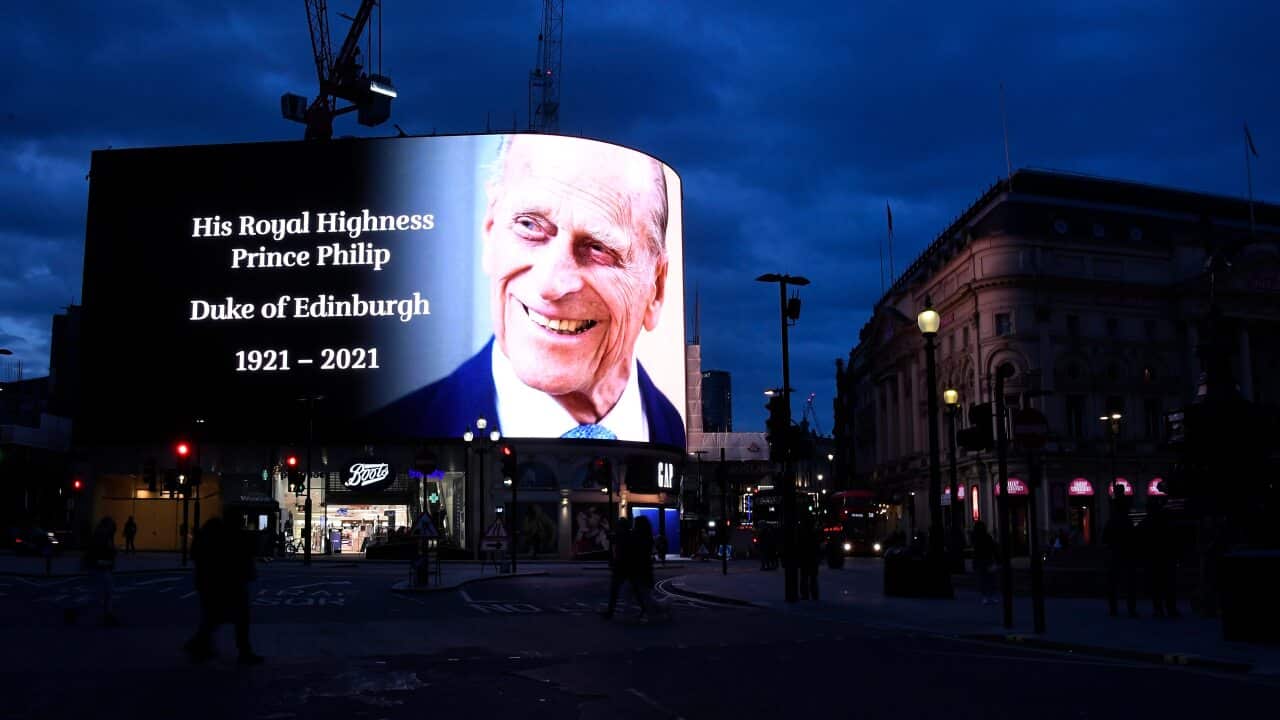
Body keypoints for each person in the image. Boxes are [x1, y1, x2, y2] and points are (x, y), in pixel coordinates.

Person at [367, 135, 684, 447]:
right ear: (490, 230)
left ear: (656, 288)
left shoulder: (675, 431)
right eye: (530, 226)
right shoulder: (387, 434)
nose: (551, 284)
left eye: (599, 248)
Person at [185, 518, 263, 665]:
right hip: (228, 586)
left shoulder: (206, 540)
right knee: (237, 618)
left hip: (211, 586)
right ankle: (242, 651)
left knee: (214, 618)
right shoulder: (226, 540)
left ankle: (200, 644)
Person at [1141, 502, 1180, 618]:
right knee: (1169, 585)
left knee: (1156, 585)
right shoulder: (1166, 523)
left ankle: (1158, 609)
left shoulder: (1147, 523)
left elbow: (1142, 540)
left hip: (1154, 557)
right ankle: (1170, 608)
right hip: (1166, 557)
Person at [1104, 490, 1139, 618]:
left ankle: (1114, 609)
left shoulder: (1112, 521)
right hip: (1126, 554)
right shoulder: (1128, 521)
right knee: (1129, 584)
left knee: (1113, 584)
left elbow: (1105, 539)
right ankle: (1131, 609)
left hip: (1115, 554)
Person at [78, 517, 118, 626]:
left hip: (99, 567)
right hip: (99, 567)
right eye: (112, 527)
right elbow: (98, 553)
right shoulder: (102, 536)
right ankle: (105, 615)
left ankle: (106, 615)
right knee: (104, 592)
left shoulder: (101, 535)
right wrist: (109, 558)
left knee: (104, 592)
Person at [972, 521, 998, 605]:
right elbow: (993, 548)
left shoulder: (976, 538)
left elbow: (975, 551)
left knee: (983, 579)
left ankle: (985, 597)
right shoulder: (987, 537)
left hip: (982, 560)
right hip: (987, 559)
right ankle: (990, 596)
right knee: (990, 579)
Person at [798, 520, 821, 601]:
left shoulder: (802, 535)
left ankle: (805, 595)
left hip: (805, 559)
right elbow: (817, 547)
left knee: (804, 577)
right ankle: (814, 595)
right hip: (812, 559)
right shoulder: (814, 534)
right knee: (813, 578)